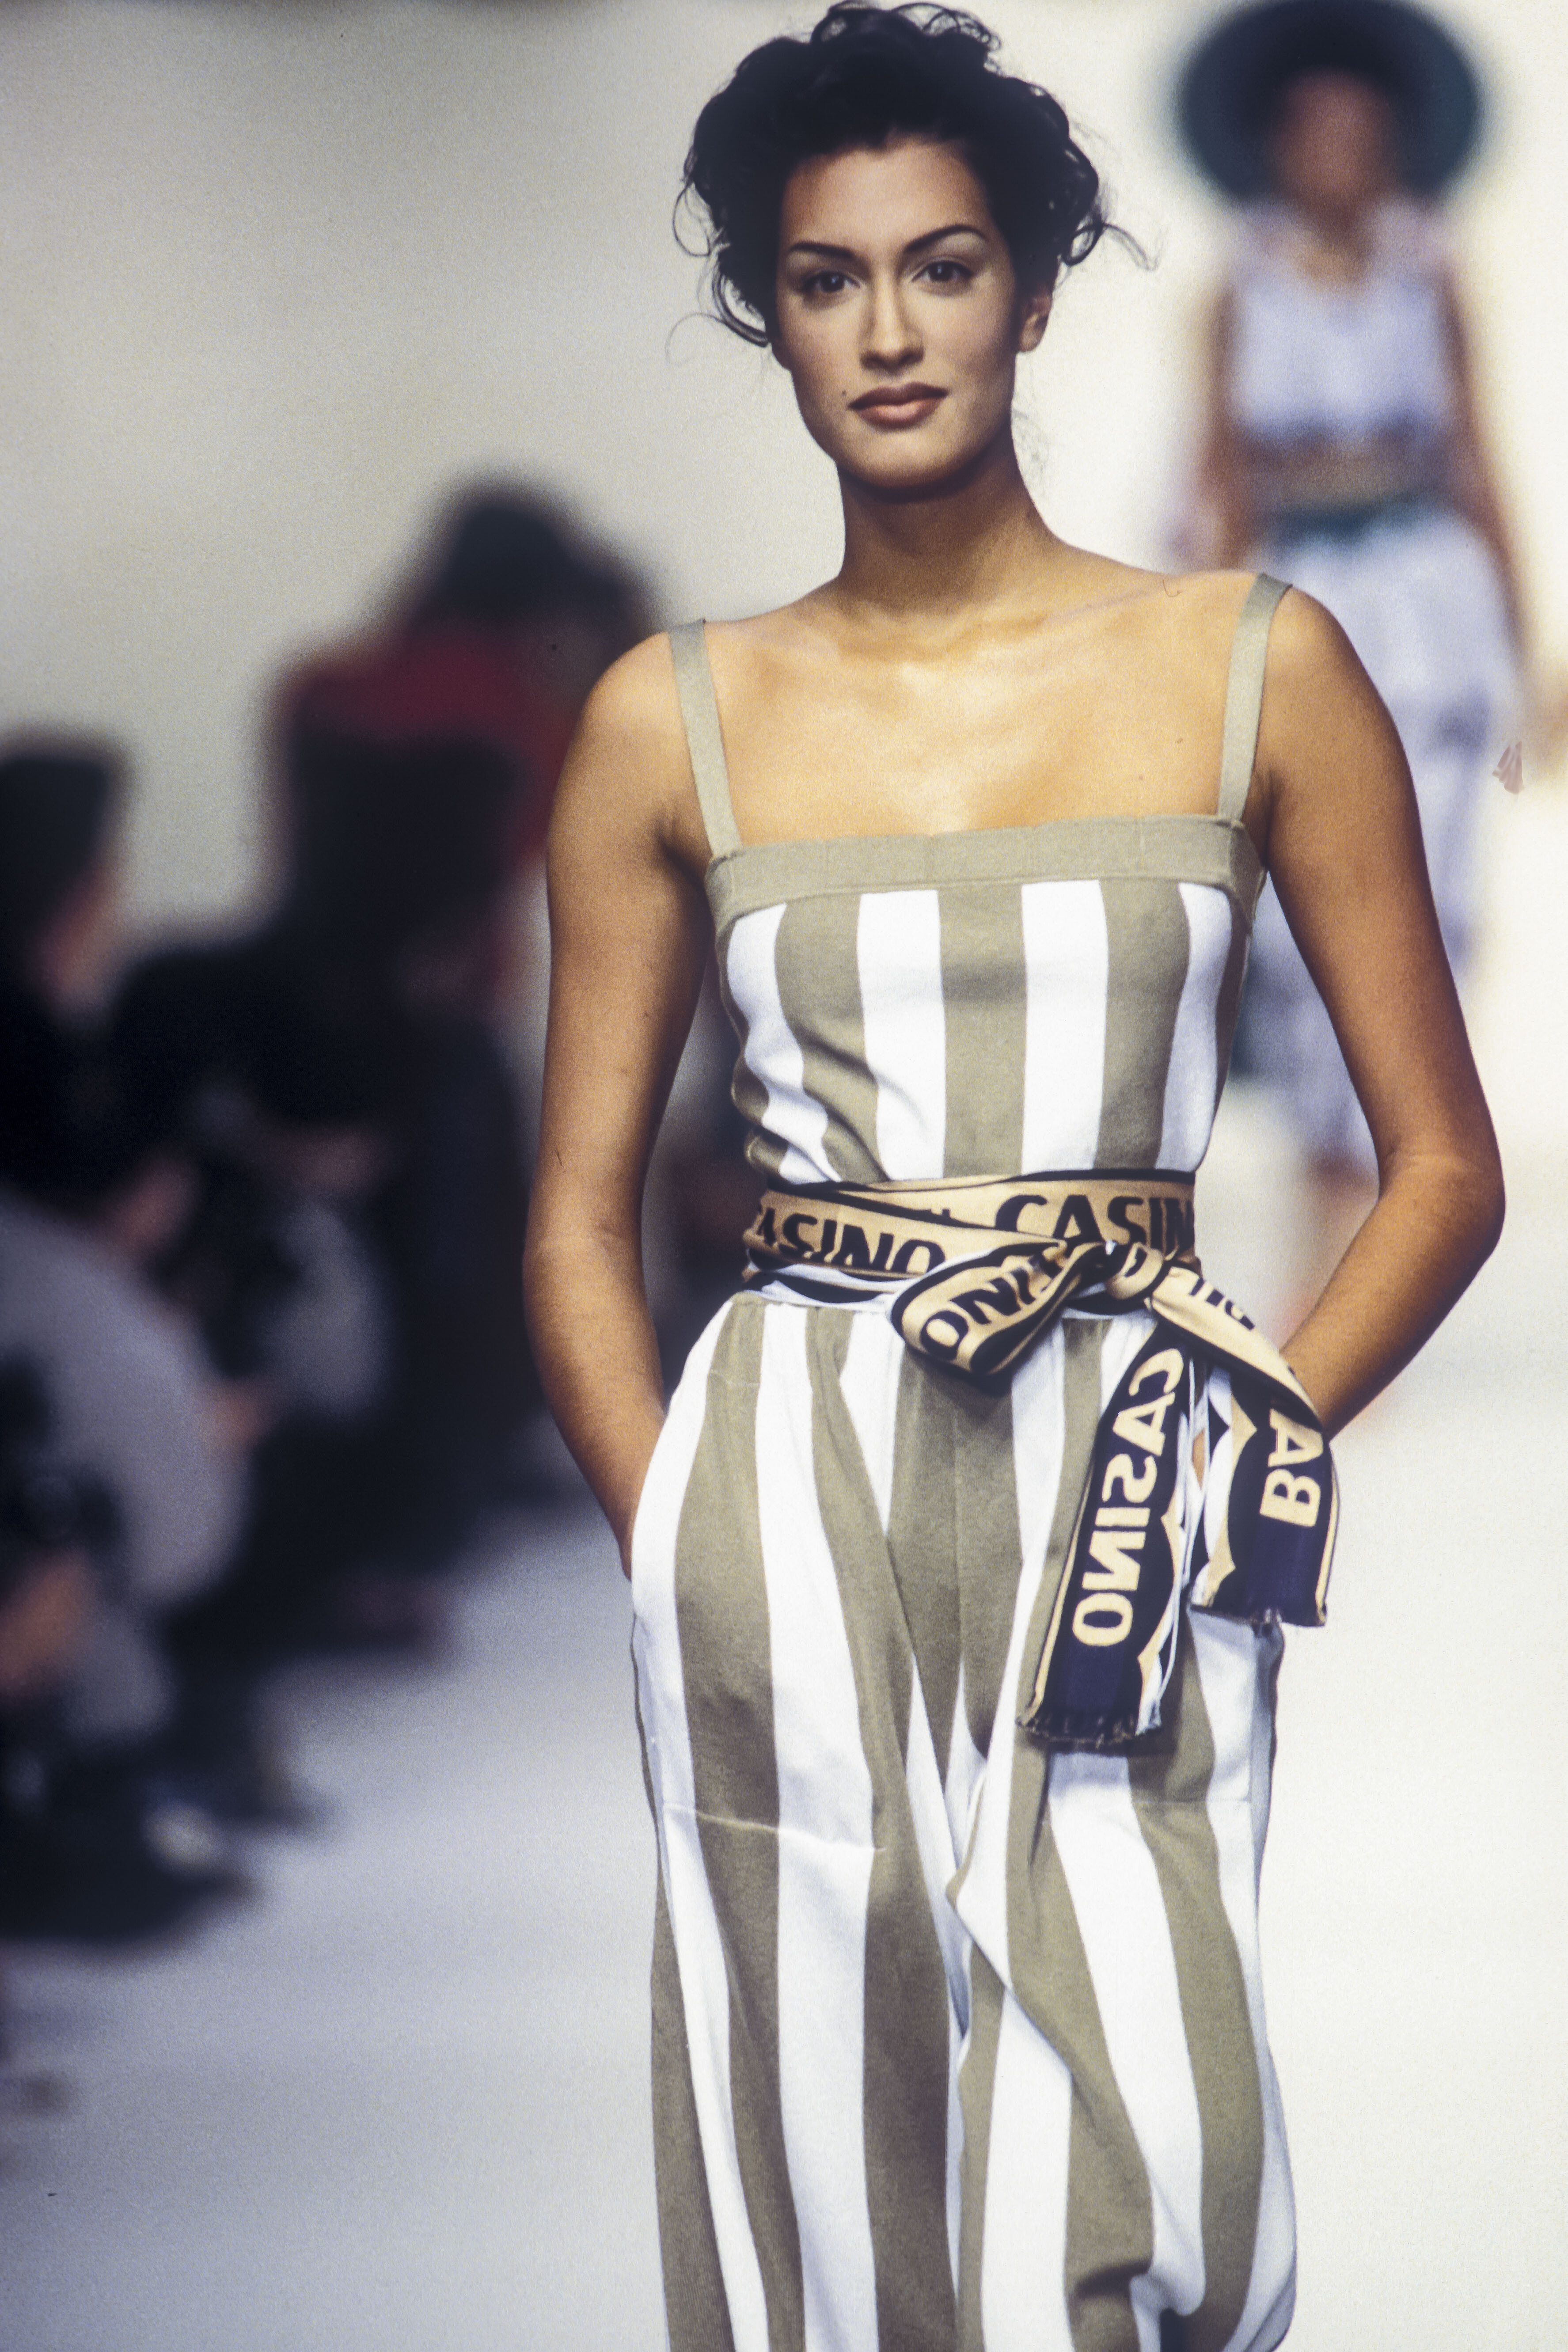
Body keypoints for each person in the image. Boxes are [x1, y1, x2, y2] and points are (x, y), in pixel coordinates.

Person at [524, 7, 1503, 2346]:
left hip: (1136, 1459)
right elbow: (574, 1213)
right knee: (821, 2160)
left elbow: (1443, 1160)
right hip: (791, 1459)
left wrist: (1243, 1443)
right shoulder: (670, 717)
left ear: (1037, 296)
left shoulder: (1252, 664)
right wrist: (678, 1533)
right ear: (772, 316)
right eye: (827, 278)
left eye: (943, 267)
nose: (888, 329)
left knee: (1152, 2159)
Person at [1179, 0, 1520, 1279]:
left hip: (1427, 615)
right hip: (1301, 596)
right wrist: (1196, 650)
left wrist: (1527, 642)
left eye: (1360, 133)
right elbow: (1216, 474)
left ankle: (1392, 1215)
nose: (1337, 155)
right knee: (1300, 918)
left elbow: (1478, 456)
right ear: (1273, 145)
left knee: (1426, 899)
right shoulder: (1243, 285)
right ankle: (1323, 1224)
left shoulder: (1428, 273)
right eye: (1312, 131)